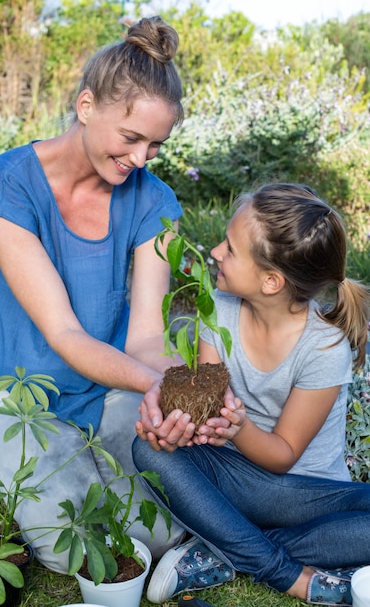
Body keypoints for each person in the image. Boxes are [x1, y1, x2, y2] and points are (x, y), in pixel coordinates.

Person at [0, 15, 193, 572]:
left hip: (114, 384)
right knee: (76, 548)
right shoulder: (6, 185)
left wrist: (172, 393)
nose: (141, 159)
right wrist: (157, 384)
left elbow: (144, 334)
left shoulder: (154, 201)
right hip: (24, 397)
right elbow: (63, 332)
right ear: (87, 106)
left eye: (156, 145)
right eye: (131, 137)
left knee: (163, 533)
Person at [133, 183, 370, 606]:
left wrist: (238, 427)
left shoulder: (323, 347)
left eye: (231, 249)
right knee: (147, 450)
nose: (216, 252)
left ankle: (226, 549)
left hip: (304, 495)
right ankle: (283, 570)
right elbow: (208, 411)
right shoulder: (218, 308)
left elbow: (283, 455)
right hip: (235, 480)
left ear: (272, 281)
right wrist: (177, 426)